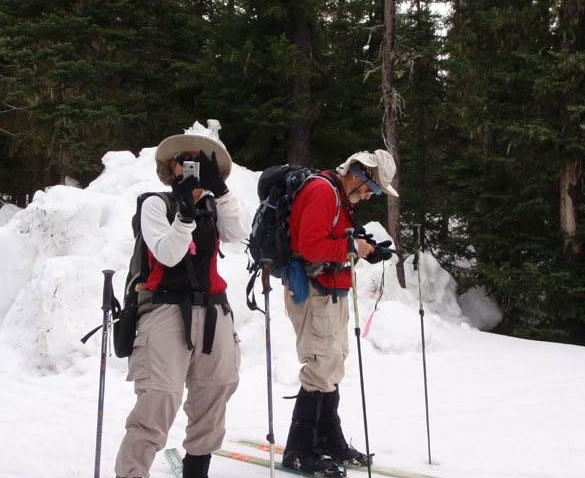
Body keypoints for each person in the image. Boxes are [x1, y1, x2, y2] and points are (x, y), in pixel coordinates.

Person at [115, 121, 250, 478]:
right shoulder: (155, 205)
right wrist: (185, 216)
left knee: (216, 388)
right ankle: (131, 472)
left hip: (213, 309)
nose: (189, 167)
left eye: (198, 162)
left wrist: (219, 190)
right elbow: (168, 254)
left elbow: (238, 232)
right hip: (164, 308)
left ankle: (196, 470)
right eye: (183, 161)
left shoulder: (213, 205)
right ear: (170, 168)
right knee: (159, 397)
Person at [281, 150, 398, 478]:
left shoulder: (337, 195)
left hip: (330, 291)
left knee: (332, 365)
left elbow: (334, 239)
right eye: (370, 189)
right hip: (313, 292)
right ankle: (299, 450)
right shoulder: (322, 191)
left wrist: (364, 248)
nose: (367, 196)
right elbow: (311, 246)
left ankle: (330, 441)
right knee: (320, 365)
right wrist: (352, 248)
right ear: (358, 173)